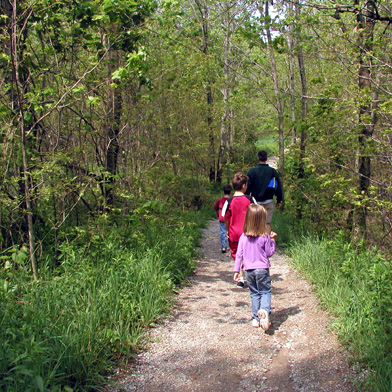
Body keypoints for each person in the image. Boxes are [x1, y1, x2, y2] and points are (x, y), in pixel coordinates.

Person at [233, 204, 277, 331]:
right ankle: (264, 310)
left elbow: (239, 255)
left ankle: (255, 319)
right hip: (262, 269)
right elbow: (269, 253)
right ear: (262, 220)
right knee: (265, 291)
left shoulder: (243, 237)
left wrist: (237, 271)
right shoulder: (265, 236)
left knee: (254, 293)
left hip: (248, 270)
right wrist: (273, 241)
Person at [221, 172, 256, 287]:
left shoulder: (228, 201)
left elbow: (225, 217)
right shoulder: (250, 199)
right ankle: (250, 275)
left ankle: (240, 277)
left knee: (237, 254)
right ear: (243, 186)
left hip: (234, 233)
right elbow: (257, 214)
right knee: (248, 253)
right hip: (248, 232)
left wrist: (227, 230)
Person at [245, 150, 283, 234]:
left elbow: (248, 188)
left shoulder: (252, 172)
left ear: (258, 159)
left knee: (256, 224)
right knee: (267, 223)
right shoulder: (272, 171)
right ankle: (267, 243)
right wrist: (279, 200)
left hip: (256, 202)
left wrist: (246, 199)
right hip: (269, 201)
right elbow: (278, 186)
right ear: (266, 159)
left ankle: (257, 244)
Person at [213, 184, 232, 253]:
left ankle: (223, 247)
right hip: (230, 219)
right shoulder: (231, 200)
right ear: (230, 192)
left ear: (223, 192)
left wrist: (218, 213)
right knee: (230, 232)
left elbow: (215, 208)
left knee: (222, 232)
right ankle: (231, 246)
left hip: (222, 218)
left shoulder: (220, 200)